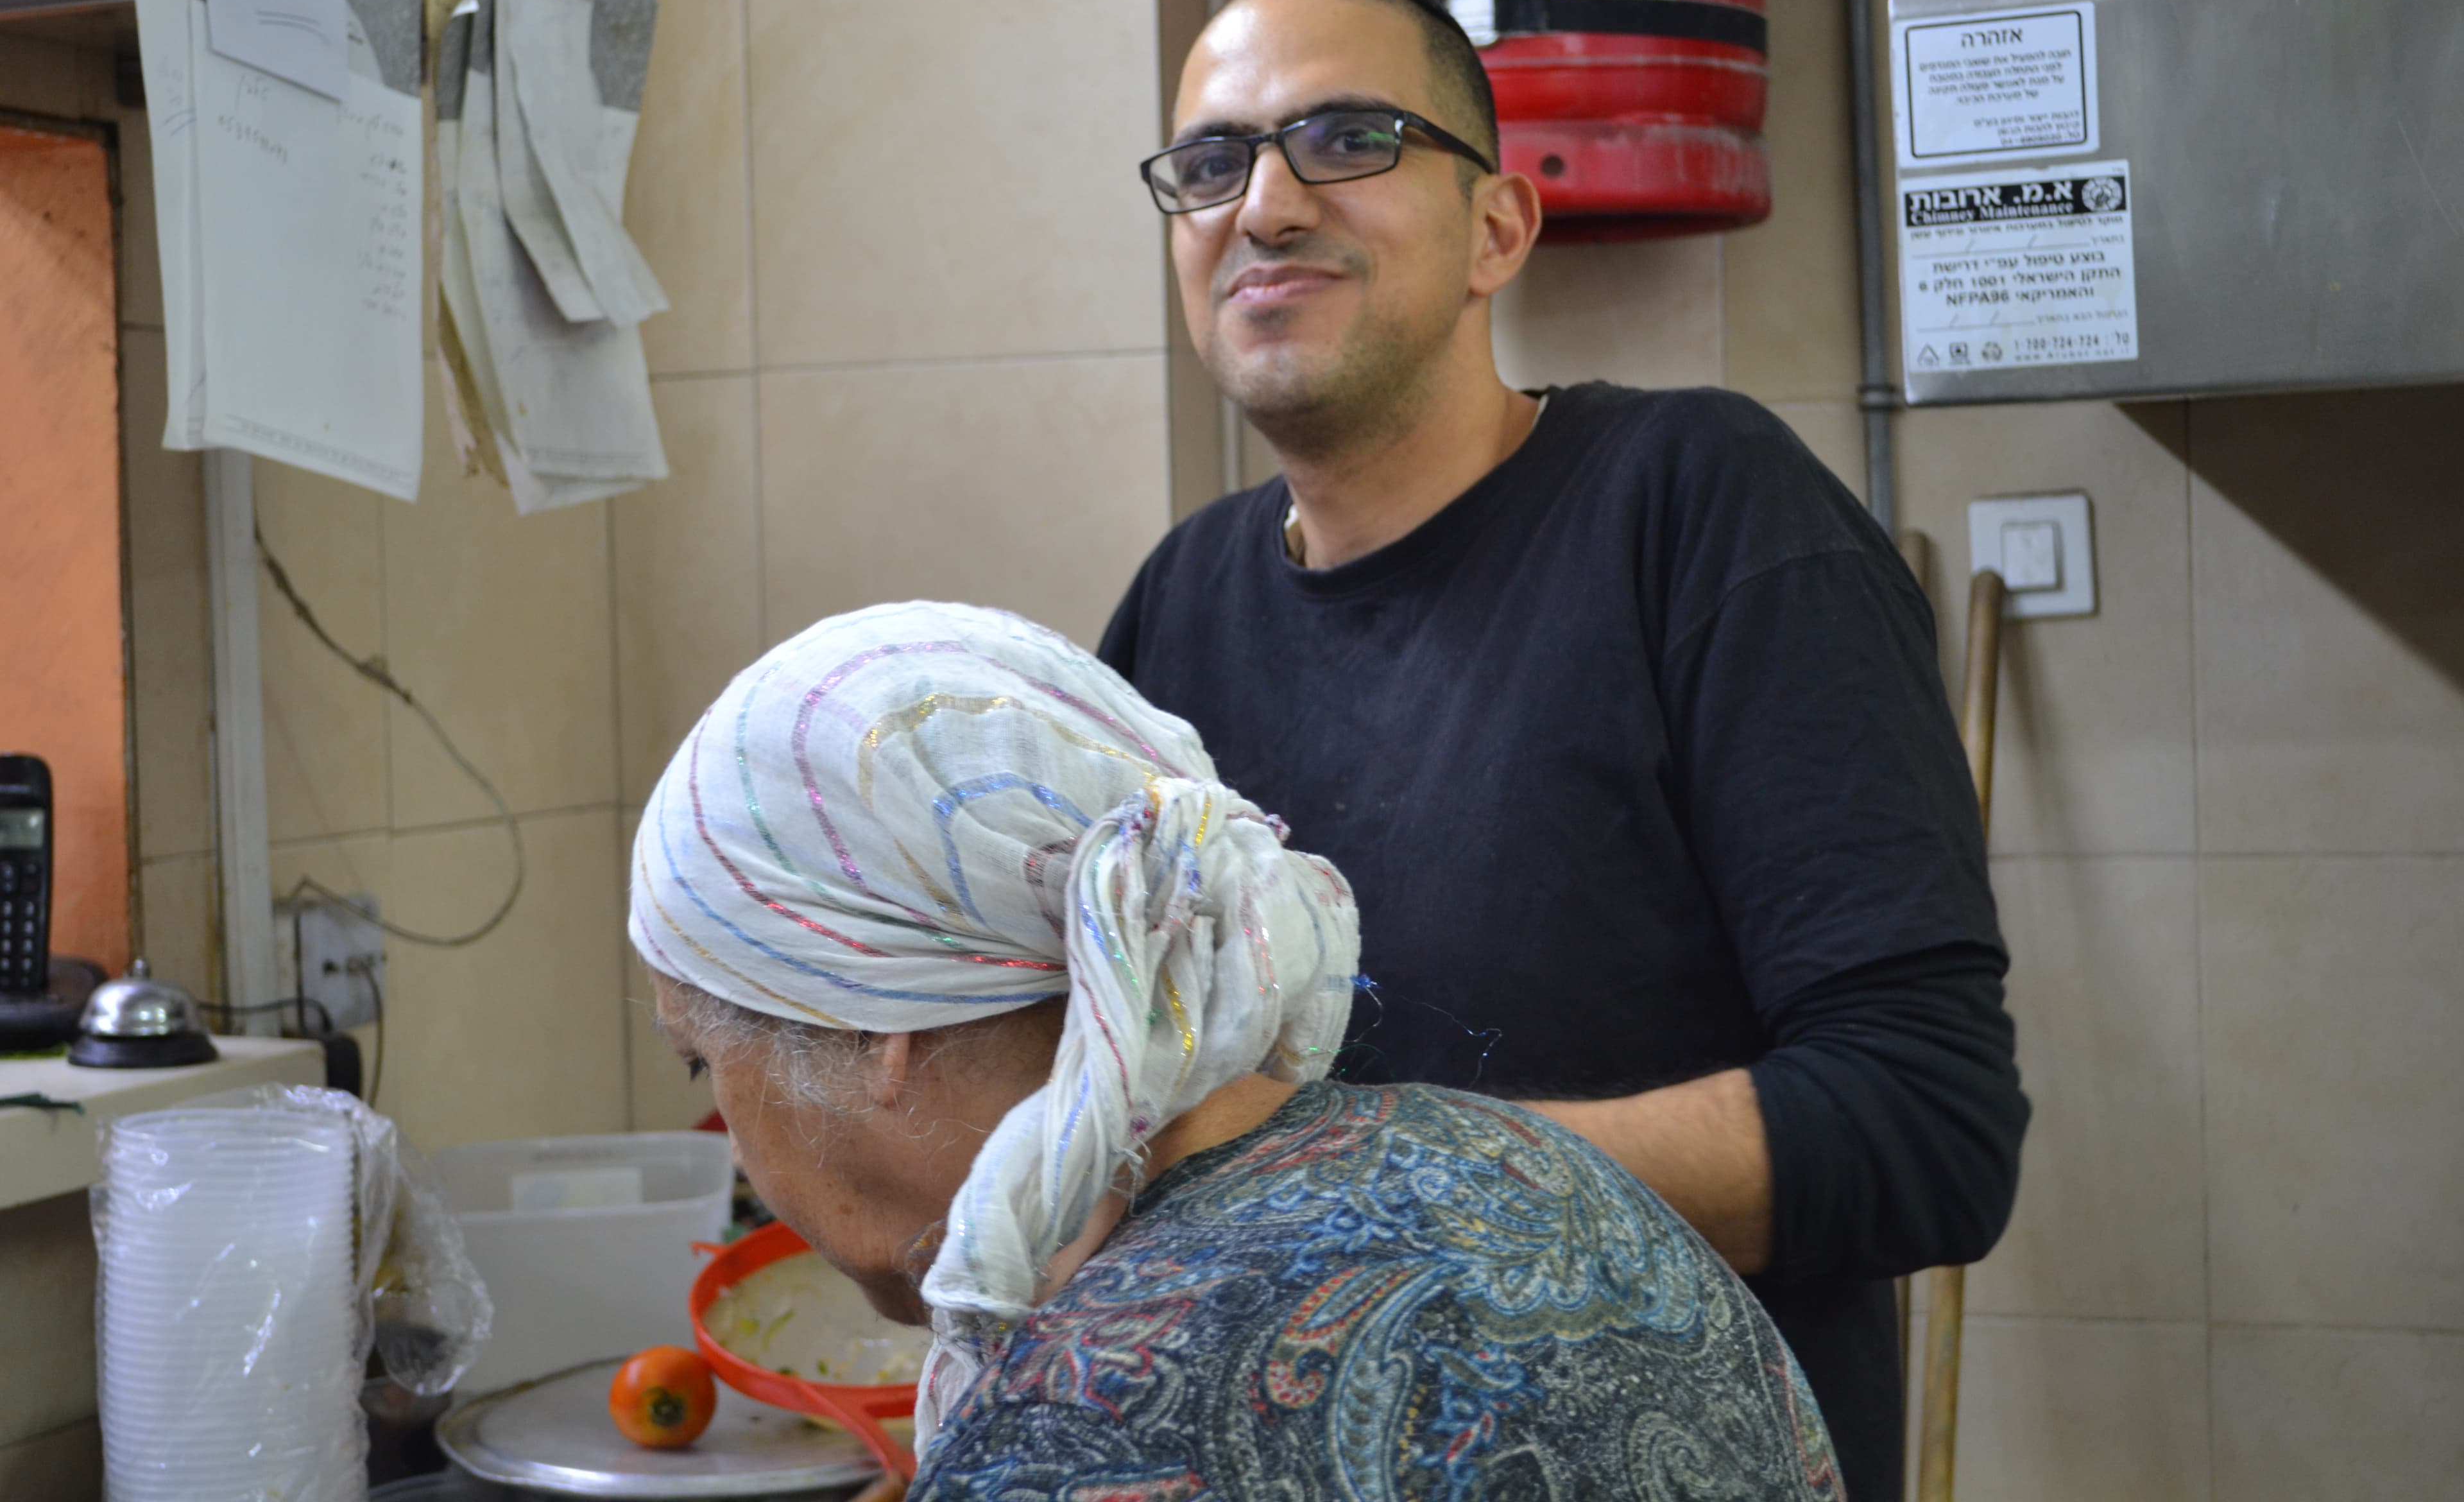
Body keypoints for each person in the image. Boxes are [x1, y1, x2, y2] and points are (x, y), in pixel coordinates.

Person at [1099, 0, 2031, 1498]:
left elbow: (1921, 1123)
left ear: (1497, 229)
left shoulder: (1698, 512)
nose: (1262, 204)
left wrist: (1339, 1179)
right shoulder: (1177, 608)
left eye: (1345, 139)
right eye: (1213, 162)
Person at [632, 601, 1842, 1499]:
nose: (738, 1147)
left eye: (704, 1061)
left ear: (869, 1027)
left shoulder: (1081, 1426)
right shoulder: (1540, 1174)